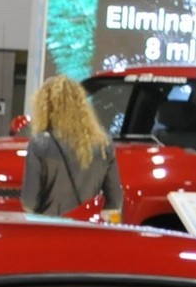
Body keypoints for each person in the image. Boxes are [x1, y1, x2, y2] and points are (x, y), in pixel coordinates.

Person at [20, 75, 123, 222]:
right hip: (87, 227)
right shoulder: (104, 145)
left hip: (50, 227)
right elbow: (115, 201)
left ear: (45, 107)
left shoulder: (40, 144)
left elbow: (29, 201)